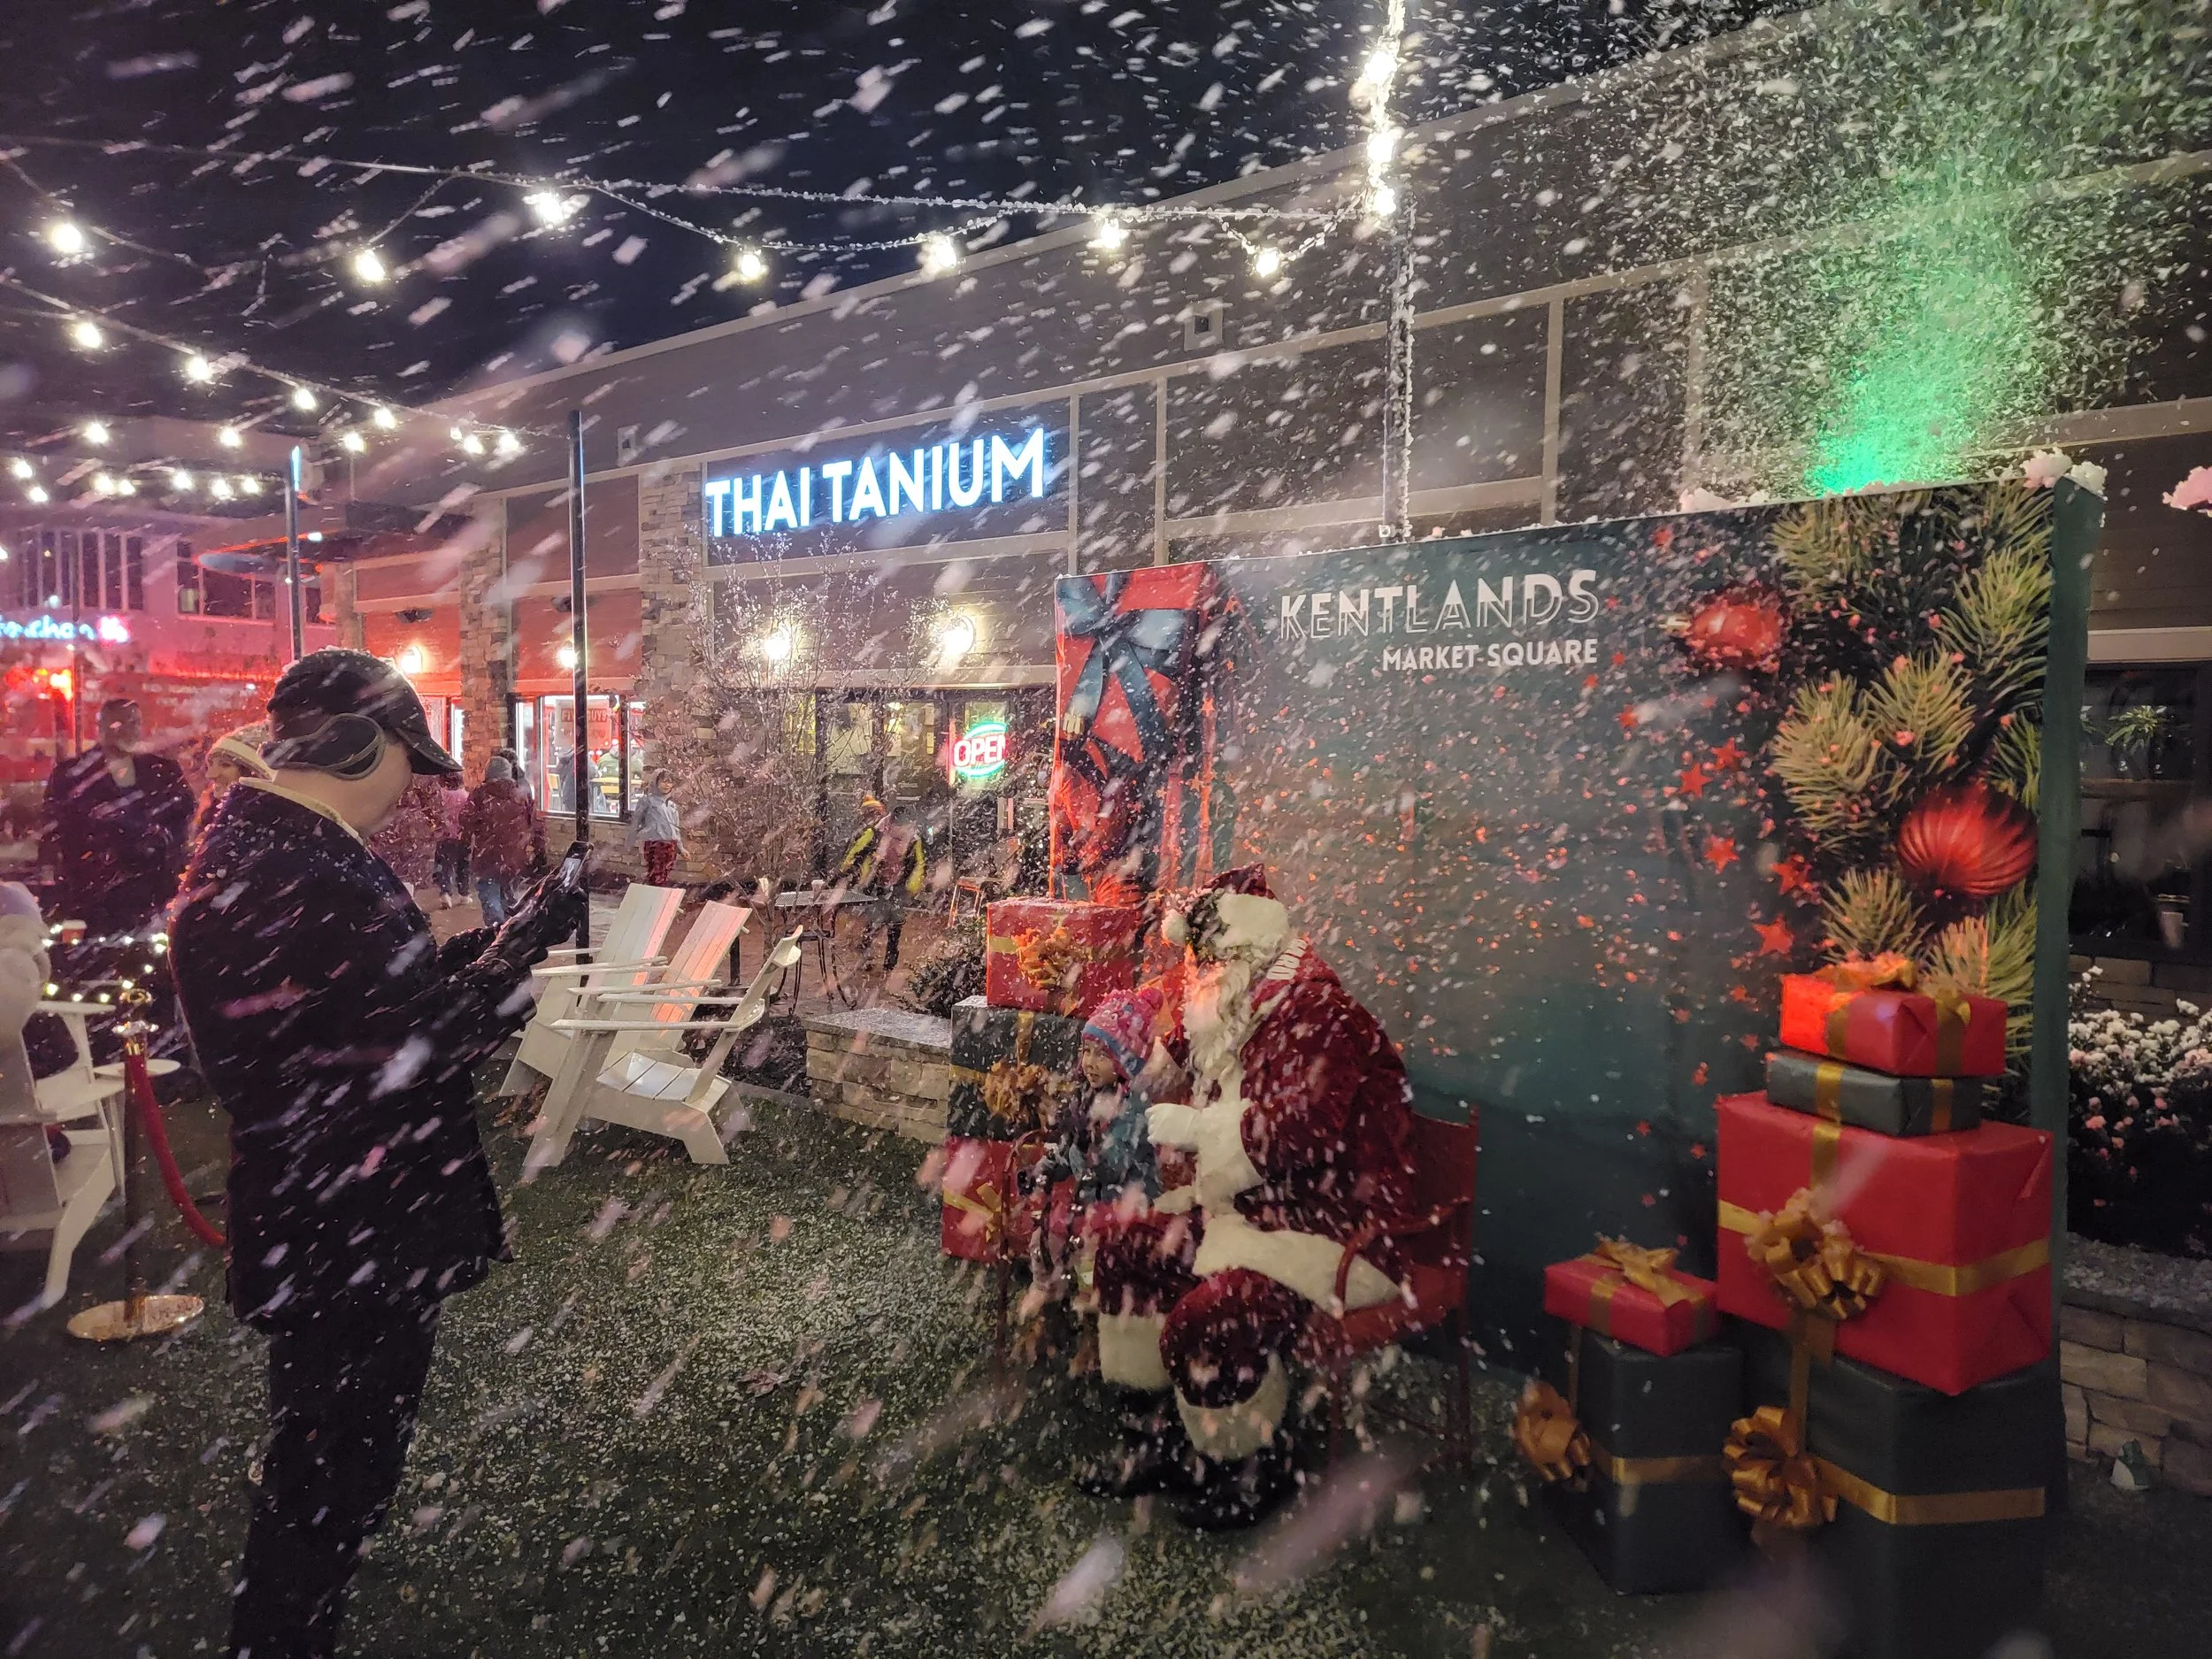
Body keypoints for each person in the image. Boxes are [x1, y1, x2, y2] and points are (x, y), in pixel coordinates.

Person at [170, 649, 584, 1659]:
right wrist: (530, 950)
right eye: (408, 760)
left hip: (333, 1217)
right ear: (359, 745)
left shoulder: (275, 850)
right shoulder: (297, 866)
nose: (414, 790)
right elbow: (413, 1042)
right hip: (352, 1226)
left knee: (325, 1473)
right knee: (330, 1485)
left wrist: (504, 939)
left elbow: (370, 1005)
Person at [1082, 865, 1421, 1529]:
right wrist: (1125, 1053)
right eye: (1193, 960)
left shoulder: (1317, 1010)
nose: (1195, 975)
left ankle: (1250, 1464)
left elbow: (1305, 1132)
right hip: (1243, 1214)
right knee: (1125, 1251)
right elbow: (1182, 1049)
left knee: (1210, 1318)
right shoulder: (1238, 1002)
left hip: (1327, 1231)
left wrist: (1200, 1127)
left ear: (1244, 952)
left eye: (1205, 960)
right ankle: (1161, 1441)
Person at [42, 699, 196, 937]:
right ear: (102, 728)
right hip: (93, 894)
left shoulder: (163, 770)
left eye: (135, 722)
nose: (130, 729)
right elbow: (56, 831)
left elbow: (182, 817)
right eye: (120, 723)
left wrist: (162, 846)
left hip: (152, 891)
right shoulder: (71, 775)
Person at [833, 791, 925, 971]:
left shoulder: (913, 840)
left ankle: (890, 961)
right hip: (876, 884)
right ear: (892, 823)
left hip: (898, 886)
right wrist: (847, 871)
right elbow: (856, 852)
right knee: (874, 920)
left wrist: (911, 887)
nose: (904, 831)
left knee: (896, 923)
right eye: (901, 827)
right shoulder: (875, 833)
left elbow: (918, 864)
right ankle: (866, 955)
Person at [459, 757, 544, 925]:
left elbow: (466, 820)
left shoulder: (480, 795)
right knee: (509, 898)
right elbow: (536, 824)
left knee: (490, 898)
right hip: (514, 858)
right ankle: (510, 932)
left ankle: (496, 933)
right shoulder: (522, 794)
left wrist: (465, 844)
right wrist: (539, 851)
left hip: (488, 857)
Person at [368, 773, 442, 901]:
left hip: (384, 827)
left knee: (391, 872)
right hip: (412, 829)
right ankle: (406, 903)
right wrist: (438, 825)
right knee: (409, 873)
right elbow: (433, 804)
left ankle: (400, 902)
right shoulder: (421, 773)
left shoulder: (380, 768)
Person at [196, 728, 273, 835]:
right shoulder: (214, 815)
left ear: (252, 773)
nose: (210, 775)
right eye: (211, 764)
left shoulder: (257, 827)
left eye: (225, 765)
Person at [629, 770, 683, 887]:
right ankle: (654, 898)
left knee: (665, 875)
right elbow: (636, 821)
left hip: (670, 845)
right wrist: (631, 840)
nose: (667, 785)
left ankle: (659, 898)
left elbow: (675, 829)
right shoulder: (646, 801)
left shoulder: (672, 805)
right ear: (656, 782)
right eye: (663, 782)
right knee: (656, 876)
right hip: (654, 843)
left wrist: (681, 848)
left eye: (670, 782)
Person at [431, 770, 470, 910]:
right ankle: (464, 894)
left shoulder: (440, 796)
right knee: (463, 865)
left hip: (444, 837)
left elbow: (434, 814)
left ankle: (445, 893)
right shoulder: (466, 796)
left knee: (446, 867)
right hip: (462, 837)